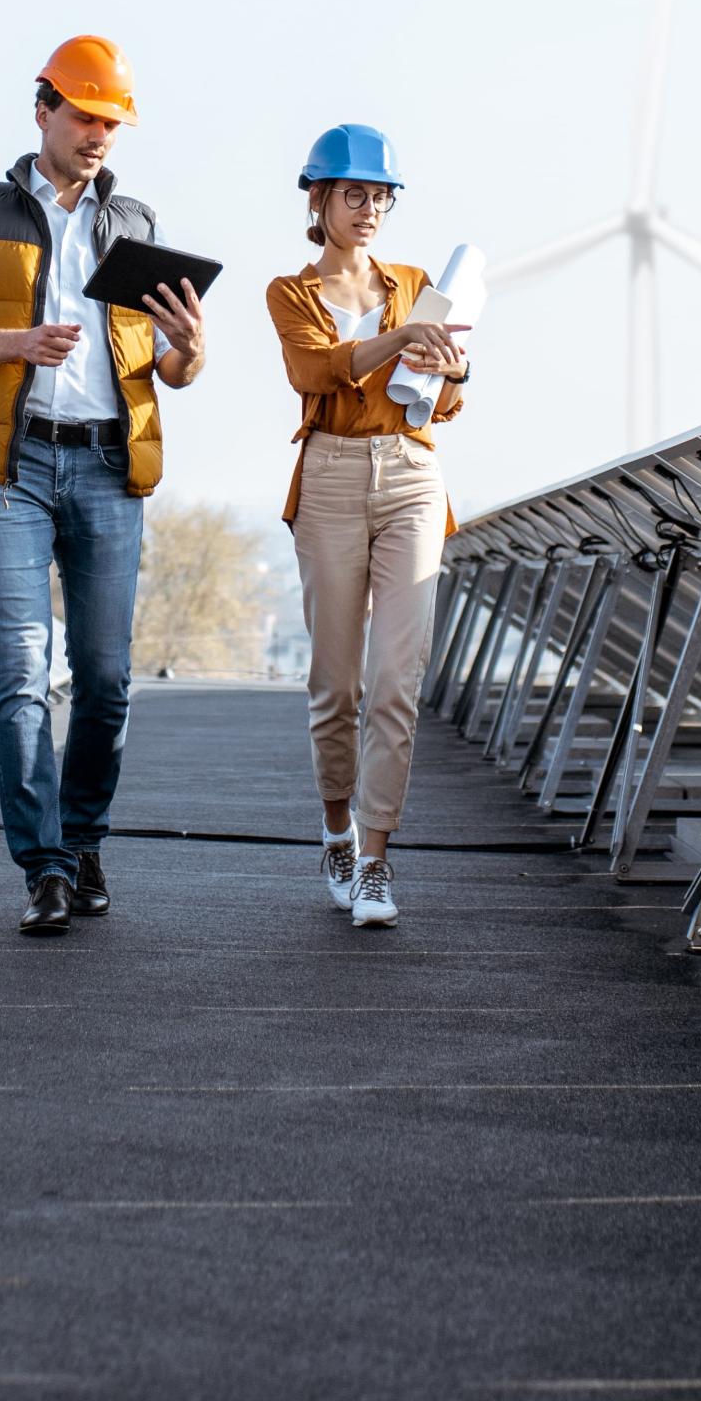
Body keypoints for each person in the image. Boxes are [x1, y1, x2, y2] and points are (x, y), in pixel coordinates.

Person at [0, 36, 209, 936]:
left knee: (109, 678)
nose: (98, 135)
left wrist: (191, 350)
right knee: (22, 670)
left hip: (110, 464)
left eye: (112, 122)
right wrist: (17, 343)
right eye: (85, 116)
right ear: (41, 108)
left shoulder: (139, 225)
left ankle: (82, 842)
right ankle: (40, 865)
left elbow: (168, 365)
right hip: (11, 463)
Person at [264, 125, 465, 930]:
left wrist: (450, 371)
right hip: (332, 476)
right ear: (319, 199)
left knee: (396, 682)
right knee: (337, 685)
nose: (370, 209)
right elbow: (314, 370)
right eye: (355, 194)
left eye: (381, 196)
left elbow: (445, 401)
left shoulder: (416, 284)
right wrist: (399, 338)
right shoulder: (290, 291)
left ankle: (377, 861)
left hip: (412, 472)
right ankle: (337, 829)